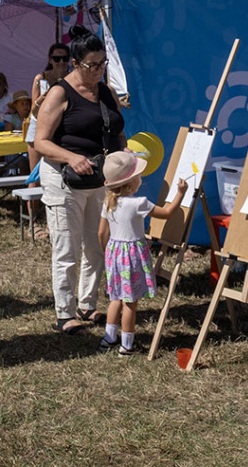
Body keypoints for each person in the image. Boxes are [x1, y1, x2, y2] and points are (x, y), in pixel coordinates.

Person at [35, 26, 126, 334]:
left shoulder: (105, 90)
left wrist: (124, 156)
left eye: (103, 63)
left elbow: (116, 129)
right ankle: (65, 311)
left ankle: (88, 303)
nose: (99, 70)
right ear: (75, 63)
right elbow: (41, 142)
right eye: (93, 65)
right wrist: (71, 157)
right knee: (67, 245)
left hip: (100, 178)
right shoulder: (59, 93)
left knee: (96, 243)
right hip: (65, 178)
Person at [98, 152, 186, 355]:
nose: (141, 178)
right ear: (130, 183)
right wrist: (180, 193)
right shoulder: (139, 203)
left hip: (114, 253)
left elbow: (102, 232)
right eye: (138, 175)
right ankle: (127, 346)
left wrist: (107, 252)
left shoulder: (108, 203)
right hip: (132, 256)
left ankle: (108, 339)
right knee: (130, 303)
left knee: (115, 298)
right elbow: (167, 213)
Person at [26, 44, 70, 174]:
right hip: (38, 126)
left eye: (65, 58)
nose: (61, 62)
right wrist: (44, 97)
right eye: (57, 58)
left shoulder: (72, 78)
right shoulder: (40, 79)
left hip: (60, 128)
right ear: (50, 60)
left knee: (59, 174)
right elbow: (33, 111)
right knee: (35, 176)